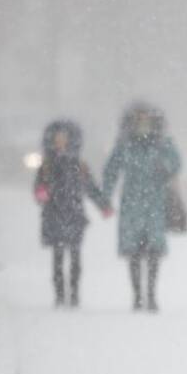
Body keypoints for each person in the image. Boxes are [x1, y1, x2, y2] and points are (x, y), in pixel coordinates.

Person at [102, 102, 182, 311]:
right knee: (135, 253)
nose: (143, 125)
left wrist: (165, 166)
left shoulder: (163, 144)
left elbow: (176, 164)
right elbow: (111, 171)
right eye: (140, 121)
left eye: (147, 121)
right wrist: (105, 198)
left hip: (155, 203)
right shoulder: (124, 145)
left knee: (154, 252)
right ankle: (137, 295)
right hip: (132, 205)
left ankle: (152, 295)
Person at [33, 119, 112, 307]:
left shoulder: (79, 166)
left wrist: (104, 206)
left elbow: (91, 188)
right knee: (58, 257)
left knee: (75, 257)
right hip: (54, 215)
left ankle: (74, 292)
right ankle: (60, 294)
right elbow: (38, 189)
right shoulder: (47, 166)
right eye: (58, 138)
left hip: (74, 216)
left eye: (64, 138)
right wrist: (43, 193)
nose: (61, 142)